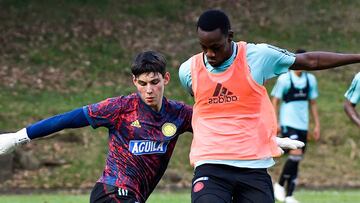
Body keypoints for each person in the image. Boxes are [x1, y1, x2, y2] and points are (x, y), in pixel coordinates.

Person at [178, 9, 360, 203]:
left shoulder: (257, 57)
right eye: (203, 47)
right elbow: (206, 111)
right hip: (210, 165)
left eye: (215, 47)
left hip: (254, 166)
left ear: (229, 36)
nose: (210, 54)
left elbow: (310, 61)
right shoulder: (188, 70)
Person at [0, 51, 193, 203]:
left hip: (134, 198)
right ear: (134, 81)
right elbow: (67, 119)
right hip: (110, 193)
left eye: (154, 82)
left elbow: (214, 125)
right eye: (142, 83)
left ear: (166, 79)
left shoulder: (178, 114)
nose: (149, 90)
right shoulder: (120, 108)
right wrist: (18, 137)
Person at [271, 49, 320, 203]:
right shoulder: (284, 79)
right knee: (295, 154)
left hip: (302, 124)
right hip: (288, 122)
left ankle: (290, 195)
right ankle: (279, 185)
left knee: (297, 159)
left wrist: (317, 125)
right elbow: (275, 101)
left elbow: (313, 103)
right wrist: (275, 122)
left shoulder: (310, 80)